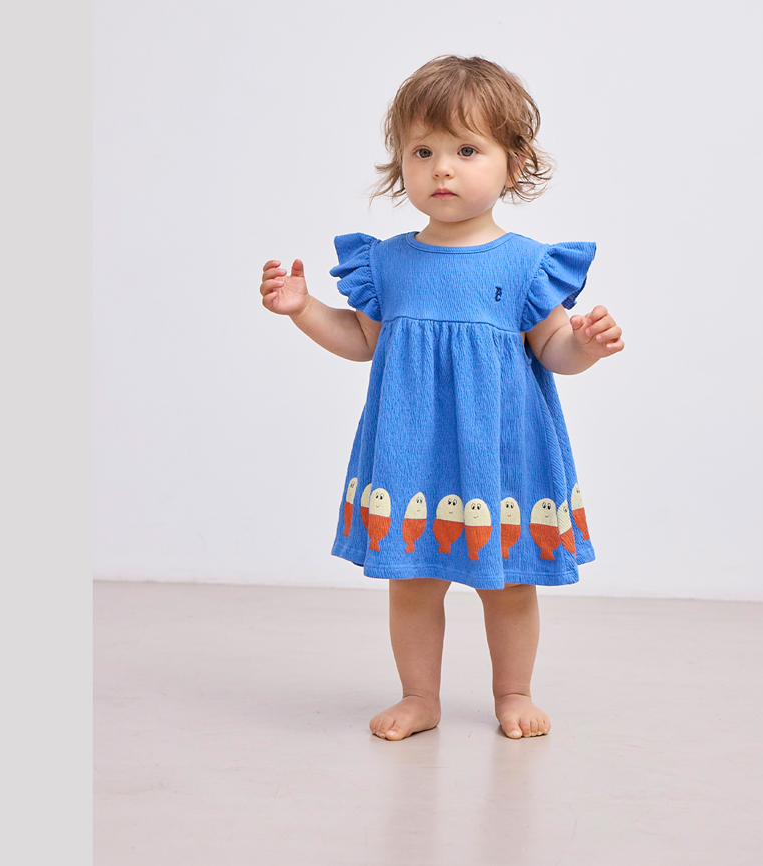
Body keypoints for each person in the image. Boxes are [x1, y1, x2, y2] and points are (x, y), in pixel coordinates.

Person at [259, 56, 623, 741]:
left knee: (508, 584)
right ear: (401, 163)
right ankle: (419, 696)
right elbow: (362, 340)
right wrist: (303, 309)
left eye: (466, 150)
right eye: (422, 152)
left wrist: (586, 346)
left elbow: (553, 349)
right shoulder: (387, 262)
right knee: (413, 582)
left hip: (500, 453)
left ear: (513, 164)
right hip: (412, 452)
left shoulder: (526, 264)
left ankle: (513, 691)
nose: (442, 169)